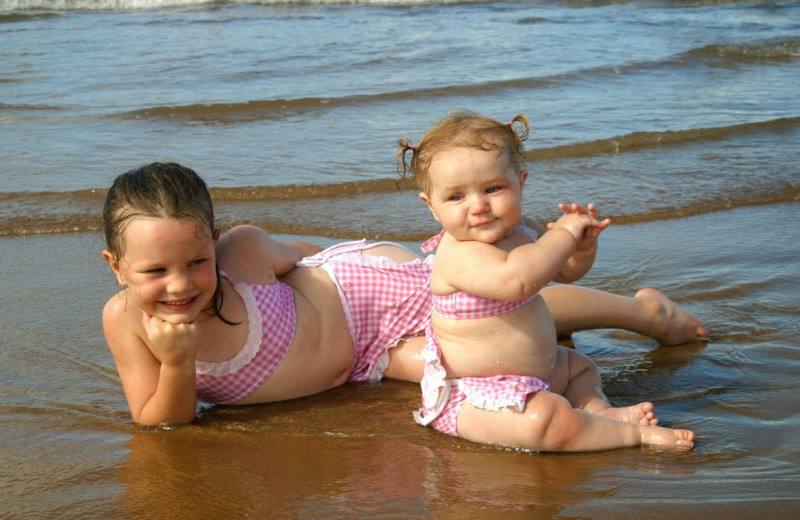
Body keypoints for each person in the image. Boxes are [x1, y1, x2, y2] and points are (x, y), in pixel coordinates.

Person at [101, 162, 703, 451]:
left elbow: (309, 257)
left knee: (495, 302)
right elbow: (159, 419)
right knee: (480, 365)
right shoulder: (126, 321)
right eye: (155, 271)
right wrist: (177, 362)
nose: (181, 284)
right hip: (370, 359)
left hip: (368, 294)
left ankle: (642, 313)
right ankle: (582, 393)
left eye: (196, 261)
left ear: (212, 241)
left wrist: (381, 257)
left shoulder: (242, 253)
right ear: (116, 267)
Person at [395, 109, 694, 451]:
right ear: (431, 206)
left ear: (520, 183)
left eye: (493, 188)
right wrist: (565, 232)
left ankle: (601, 413)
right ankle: (633, 435)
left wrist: (581, 248)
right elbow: (517, 279)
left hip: (540, 374)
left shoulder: (522, 228)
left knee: (579, 368)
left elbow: (565, 271)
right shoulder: (459, 253)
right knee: (547, 420)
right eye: (456, 197)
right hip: (477, 397)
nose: (478, 206)